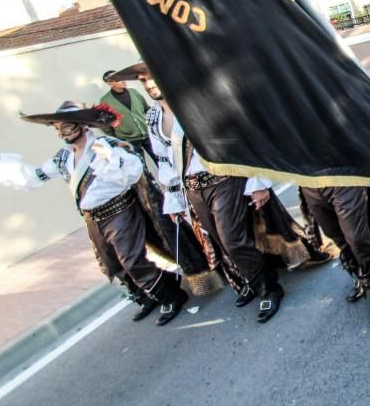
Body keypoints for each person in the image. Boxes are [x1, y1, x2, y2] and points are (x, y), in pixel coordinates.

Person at [112, 62, 323, 324]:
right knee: (222, 242)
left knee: (233, 239)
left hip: (224, 180)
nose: (149, 84)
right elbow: (165, 161)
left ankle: (268, 288)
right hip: (193, 189)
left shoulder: (196, 102)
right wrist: (176, 201)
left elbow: (241, 139)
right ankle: (254, 276)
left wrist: (257, 183)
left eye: (153, 77)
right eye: (143, 81)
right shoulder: (153, 117)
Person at [0, 102, 188, 325]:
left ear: (82, 125)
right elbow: (36, 176)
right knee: (113, 263)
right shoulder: (63, 157)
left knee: (131, 259)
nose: (61, 133)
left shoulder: (106, 145)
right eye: (57, 128)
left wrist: (110, 158)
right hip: (93, 218)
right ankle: (146, 297)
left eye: (65, 127)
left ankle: (171, 295)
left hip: (119, 210)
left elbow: (133, 170)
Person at [99, 70, 153, 164]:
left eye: (122, 77)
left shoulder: (134, 92)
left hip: (148, 134)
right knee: (139, 167)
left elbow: (147, 109)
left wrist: (152, 126)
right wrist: (118, 137)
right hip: (129, 140)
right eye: (118, 79)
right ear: (110, 83)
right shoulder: (105, 101)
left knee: (161, 160)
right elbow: (105, 124)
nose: (123, 80)